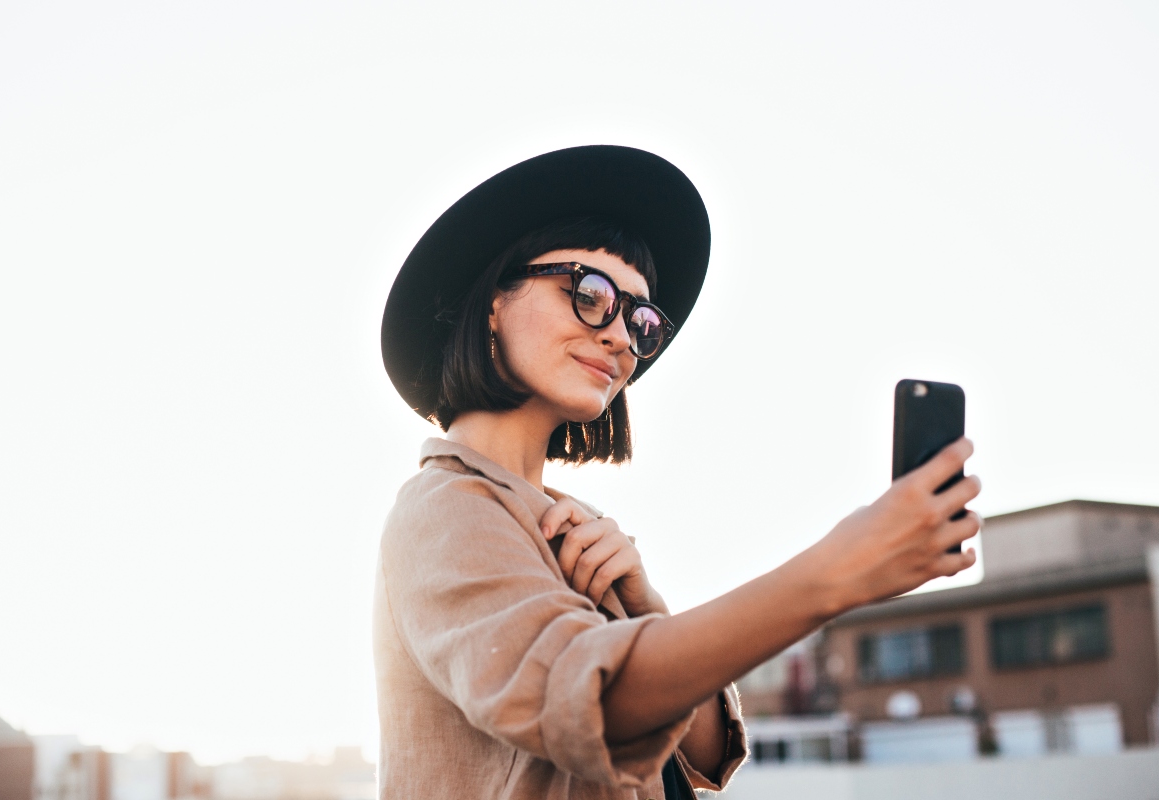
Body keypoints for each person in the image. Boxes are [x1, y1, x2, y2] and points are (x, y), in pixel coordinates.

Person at [374, 146, 981, 799]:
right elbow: (600, 707)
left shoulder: (569, 524)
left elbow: (704, 754)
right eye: (590, 293)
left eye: (641, 321)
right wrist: (837, 573)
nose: (621, 340)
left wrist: (641, 609)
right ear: (493, 301)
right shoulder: (446, 506)